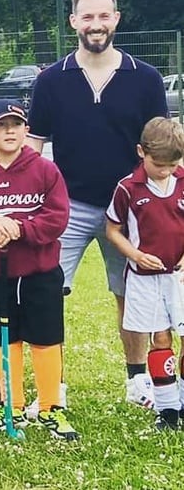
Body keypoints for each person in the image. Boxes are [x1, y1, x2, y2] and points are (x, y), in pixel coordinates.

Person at [27, 0, 168, 411]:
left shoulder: (145, 78)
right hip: (66, 206)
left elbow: (161, 145)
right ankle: (52, 389)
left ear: (116, 19)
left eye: (104, 16)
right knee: (47, 293)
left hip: (129, 210)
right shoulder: (51, 80)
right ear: (73, 21)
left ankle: (137, 380)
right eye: (87, 17)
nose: (96, 24)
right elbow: (34, 144)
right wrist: (25, 197)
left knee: (132, 297)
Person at [0, 99, 78, 440]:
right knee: (4, 338)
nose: (9, 132)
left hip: (40, 271)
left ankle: (51, 407)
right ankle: (12, 405)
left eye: (15, 125)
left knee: (46, 337)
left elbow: (57, 218)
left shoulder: (45, 171)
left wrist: (19, 229)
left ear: (27, 130)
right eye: (0, 126)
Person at [106, 117, 184, 431]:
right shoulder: (128, 188)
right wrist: (136, 255)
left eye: (172, 165)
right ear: (141, 152)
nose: (165, 171)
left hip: (179, 278)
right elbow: (113, 230)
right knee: (160, 338)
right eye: (158, 165)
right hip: (144, 278)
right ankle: (167, 409)